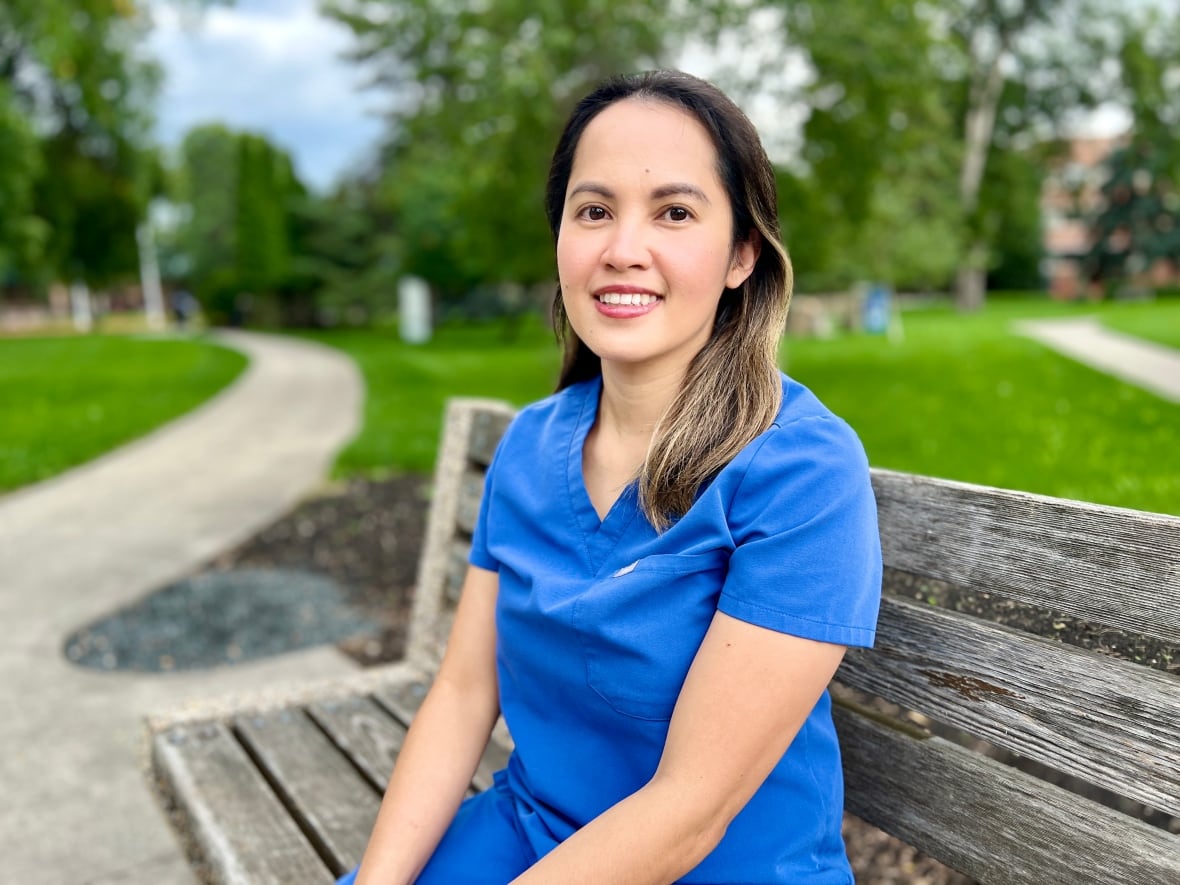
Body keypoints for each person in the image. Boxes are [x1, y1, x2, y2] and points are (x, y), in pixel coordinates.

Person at [340, 69, 882, 885]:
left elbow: (690, 807)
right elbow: (461, 692)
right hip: (530, 837)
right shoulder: (528, 447)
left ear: (741, 253)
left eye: (674, 212)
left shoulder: (801, 472)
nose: (623, 250)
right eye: (593, 211)